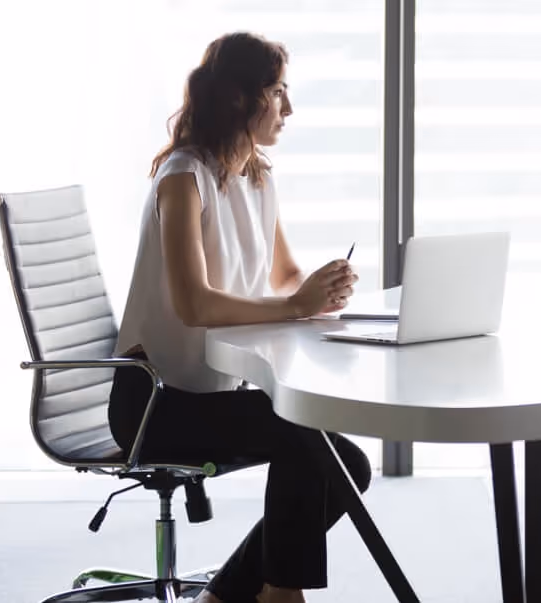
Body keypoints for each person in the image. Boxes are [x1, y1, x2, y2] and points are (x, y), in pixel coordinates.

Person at [109, 32, 370, 603]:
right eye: (277, 92)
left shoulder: (257, 174)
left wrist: (321, 290)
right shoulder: (184, 177)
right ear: (239, 100)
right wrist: (295, 306)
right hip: (155, 402)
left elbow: (284, 276)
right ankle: (279, 593)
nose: (289, 108)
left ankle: (232, 594)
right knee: (310, 442)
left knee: (347, 463)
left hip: (209, 392)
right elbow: (194, 303)